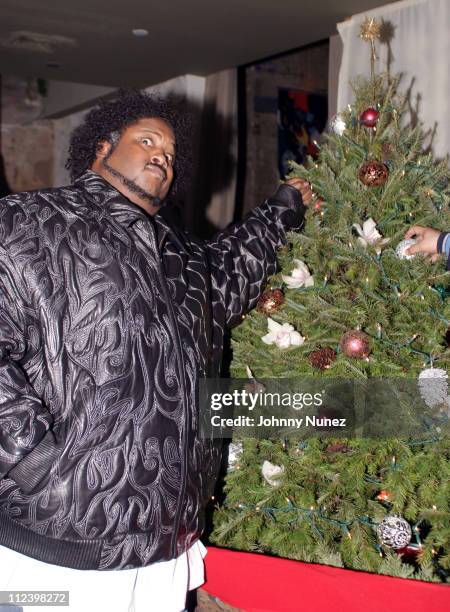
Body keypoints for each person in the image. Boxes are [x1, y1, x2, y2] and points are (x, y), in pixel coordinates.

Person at [0, 90, 312, 612]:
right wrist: (33, 462)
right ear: (101, 149)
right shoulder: (28, 223)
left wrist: (280, 212)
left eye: (170, 153)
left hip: (166, 548)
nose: (161, 156)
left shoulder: (181, 254)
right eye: (146, 140)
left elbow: (230, 273)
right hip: (54, 549)